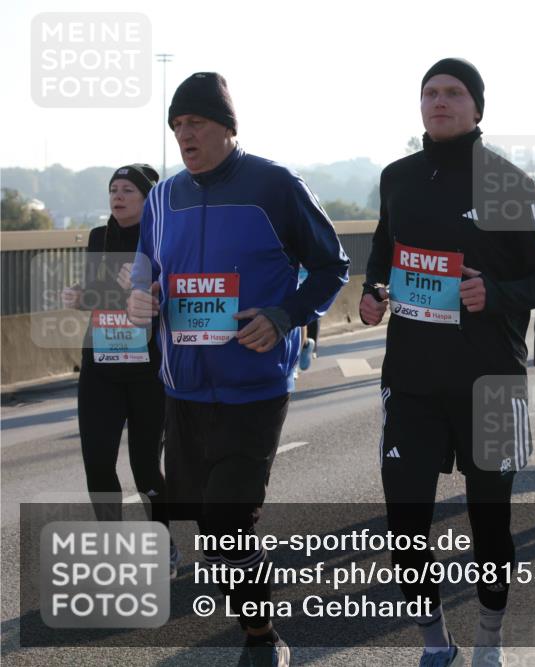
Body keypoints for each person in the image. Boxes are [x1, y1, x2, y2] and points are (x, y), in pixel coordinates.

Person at [127, 72, 350, 667]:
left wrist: (284, 315)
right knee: (212, 531)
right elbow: (146, 269)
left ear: (227, 127)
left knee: (228, 519)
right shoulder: (162, 197)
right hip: (183, 389)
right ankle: (254, 610)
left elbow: (332, 266)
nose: (185, 135)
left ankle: (262, 637)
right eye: (177, 125)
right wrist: (142, 295)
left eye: (196, 123)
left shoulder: (274, 185)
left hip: (254, 384)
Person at [359, 58, 535, 666]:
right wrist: (373, 293)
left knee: (490, 523)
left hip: (491, 380)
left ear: (477, 107)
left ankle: (489, 639)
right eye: (430, 92)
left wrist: (494, 294)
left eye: (453, 93)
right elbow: (383, 253)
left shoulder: (507, 183)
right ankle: (436, 643)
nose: (440, 101)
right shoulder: (397, 177)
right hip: (411, 379)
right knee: (404, 526)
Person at [61, 164, 181, 575]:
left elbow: (173, 297)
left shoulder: (164, 237)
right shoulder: (100, 237)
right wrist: (80, 295)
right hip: (101, 365)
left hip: (147, 369)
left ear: (148, 198)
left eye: (129, 189)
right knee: (97, 464)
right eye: (114, 188)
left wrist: (144, 289)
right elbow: (96, 293)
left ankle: (162, 543)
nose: (118, 195)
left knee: (145, 469)